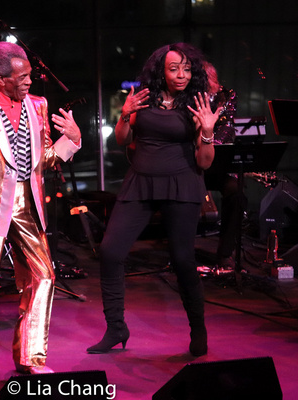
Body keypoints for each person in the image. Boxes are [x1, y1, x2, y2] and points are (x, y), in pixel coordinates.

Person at [87, 43, 219, 357]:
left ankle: (198, 328)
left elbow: (204, 162)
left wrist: (208, 131)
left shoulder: (197, 103)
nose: (181, 75)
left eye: (187, 69)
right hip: (140, 182)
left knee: (183, 260)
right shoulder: (145, 98)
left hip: (181, 183)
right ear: (161, 70)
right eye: (174, 69)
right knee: (110, 250)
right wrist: (125, 115)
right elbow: (123, 139)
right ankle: (116, 326)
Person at [0, 41, 81, 378]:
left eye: (30, 75)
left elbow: (44, 160)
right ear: (0, 79)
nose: (29, 81)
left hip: (27, 202)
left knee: (44, 276)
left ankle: (30, 357)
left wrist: (70, 140)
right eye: (22, 77)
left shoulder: (37, 105)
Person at [204, 62, 242, 271]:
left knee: (236, 192)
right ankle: (180, 252)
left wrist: (210, 146)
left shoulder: (226, 97)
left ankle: (225, 254)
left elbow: (227, 126)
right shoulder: (186, 98)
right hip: (189, 164)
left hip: (214, 160)